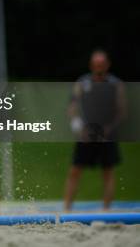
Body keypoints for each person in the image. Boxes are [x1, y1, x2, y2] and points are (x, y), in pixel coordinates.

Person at [63, 49, 126, 211]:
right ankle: (67, 208)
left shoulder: (115, 84)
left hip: (107, 133)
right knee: (75, 170)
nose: (99, 67)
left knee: (108, 171)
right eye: (96, 64)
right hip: (86, 134)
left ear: (107, 65)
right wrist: (78, 125)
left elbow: (121, 110)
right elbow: (72, 107)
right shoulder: (82, 83)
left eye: (102, 64)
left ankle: (106, 209)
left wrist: (109, 128)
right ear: (91, 65)